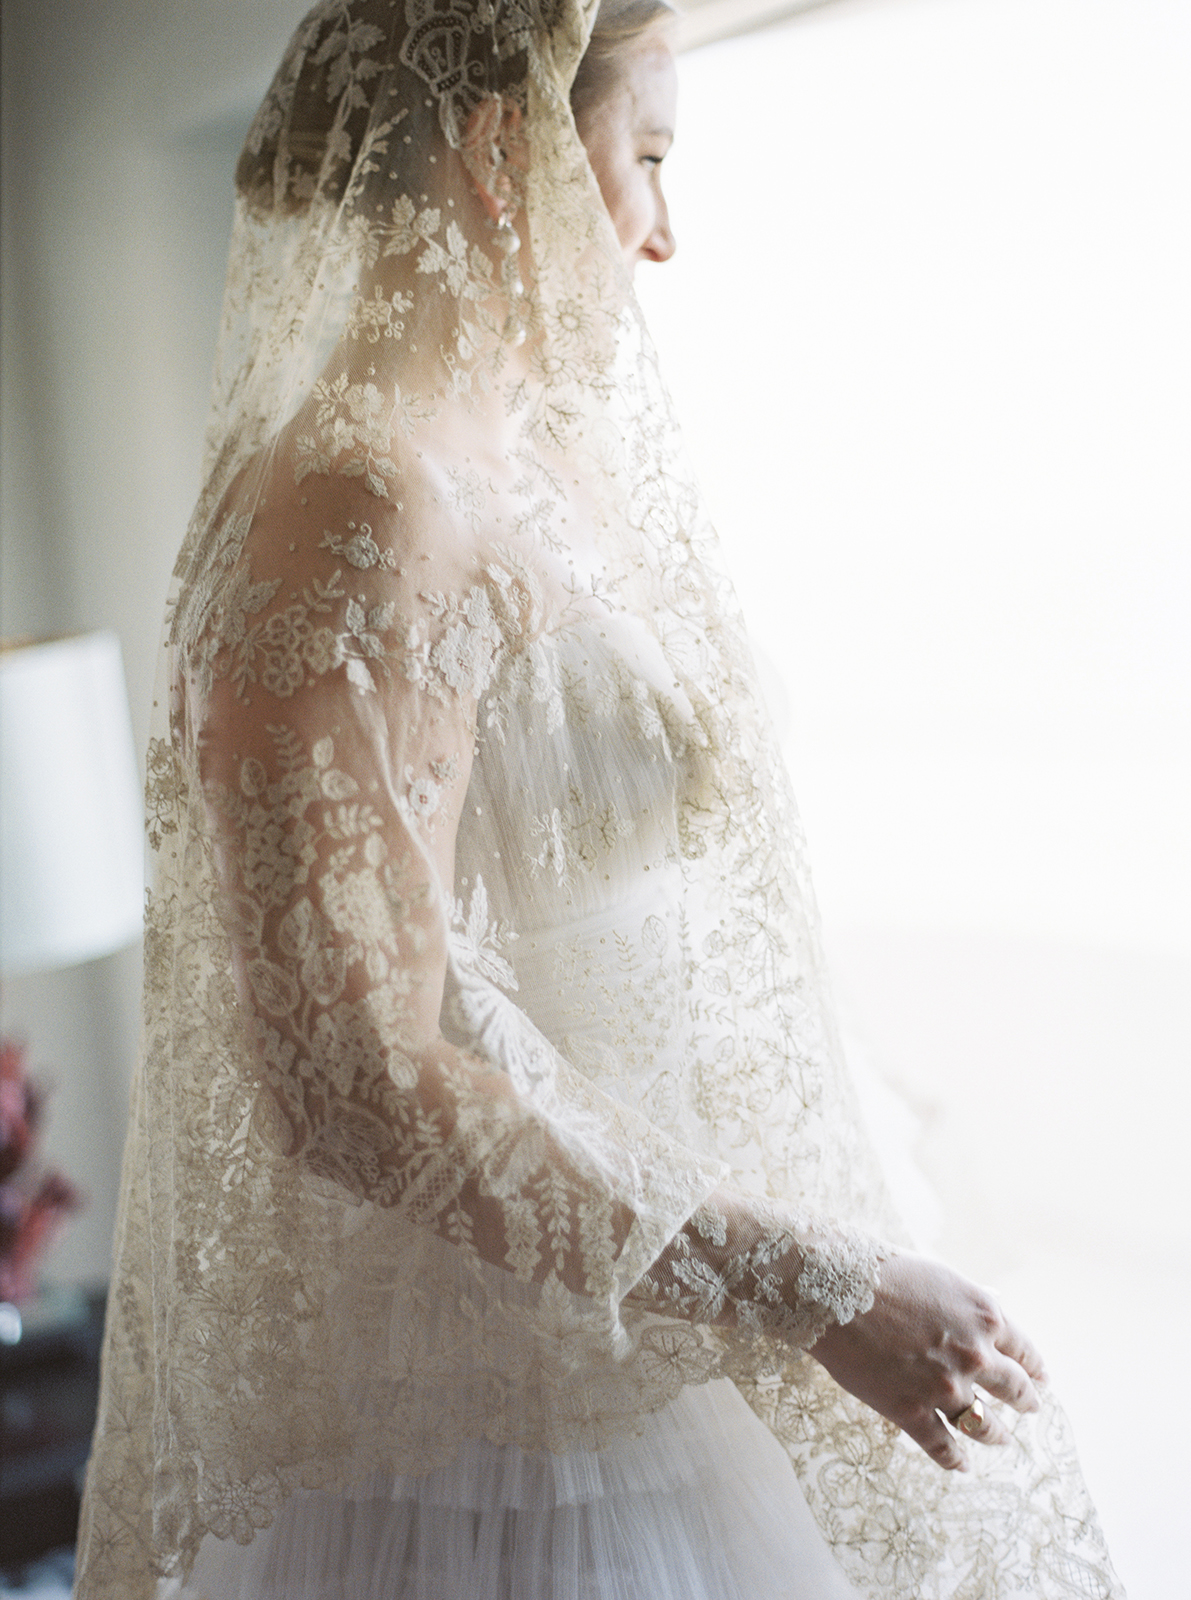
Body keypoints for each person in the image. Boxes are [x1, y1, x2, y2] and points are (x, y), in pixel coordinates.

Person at [74, 1, 1124, 1595]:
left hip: (674, 1349)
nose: (660, 234)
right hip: (519, 1454)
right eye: (642, 159)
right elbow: (356, 1069)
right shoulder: (356, 504)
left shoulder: (542, 460)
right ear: (507, 153)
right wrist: (811, 1282)